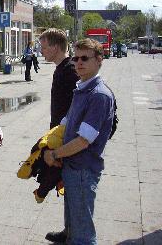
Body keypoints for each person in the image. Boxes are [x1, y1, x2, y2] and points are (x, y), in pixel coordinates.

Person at [44, 38, 114, 245]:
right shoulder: (82, 87)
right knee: (72, 207)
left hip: (83, 168)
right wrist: (48, 143)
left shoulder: (99, 95)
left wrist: (55, 154)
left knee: (83, 227)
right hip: (71, 163)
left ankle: (77, 238)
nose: (79, 62)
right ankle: (68, 234)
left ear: (99, 60)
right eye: (76, 58)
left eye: (85, 58)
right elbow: (67, 122)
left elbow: (84, 140)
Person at [39, 28, 79, 243]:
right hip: (60, 135)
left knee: (73, 188)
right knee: (66, 185)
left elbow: (76, 108)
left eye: (44, 47)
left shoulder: (70, 70)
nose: (41, 51)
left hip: (69, 140)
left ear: (55, 47)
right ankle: (69, 231)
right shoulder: (61, 68)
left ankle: (76, 235)